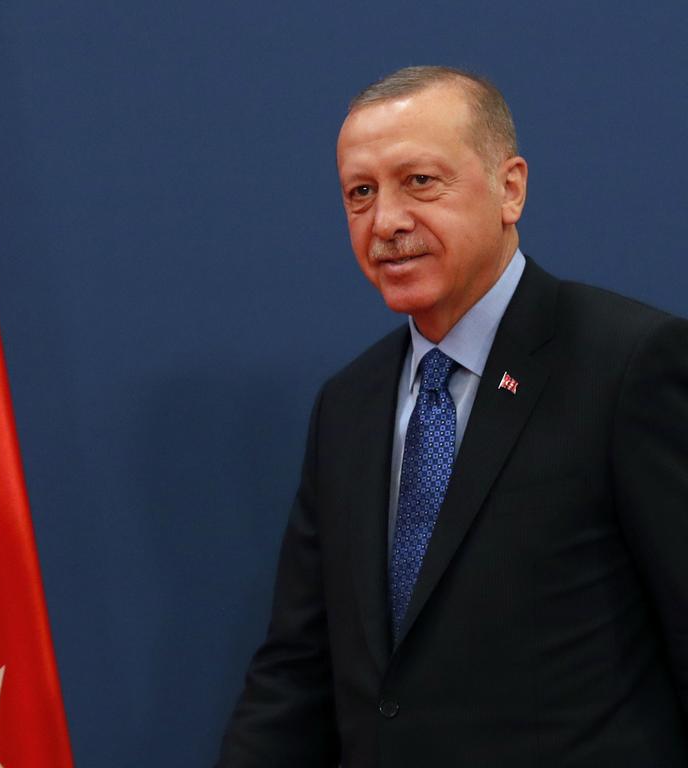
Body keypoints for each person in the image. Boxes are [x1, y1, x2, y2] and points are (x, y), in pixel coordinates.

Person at [216, 66, 688, 767]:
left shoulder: (628, 364)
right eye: (361, 194)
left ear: (510, 188)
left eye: (420, 182)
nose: (387, 222)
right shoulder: (348, 405)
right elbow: (297, 670)